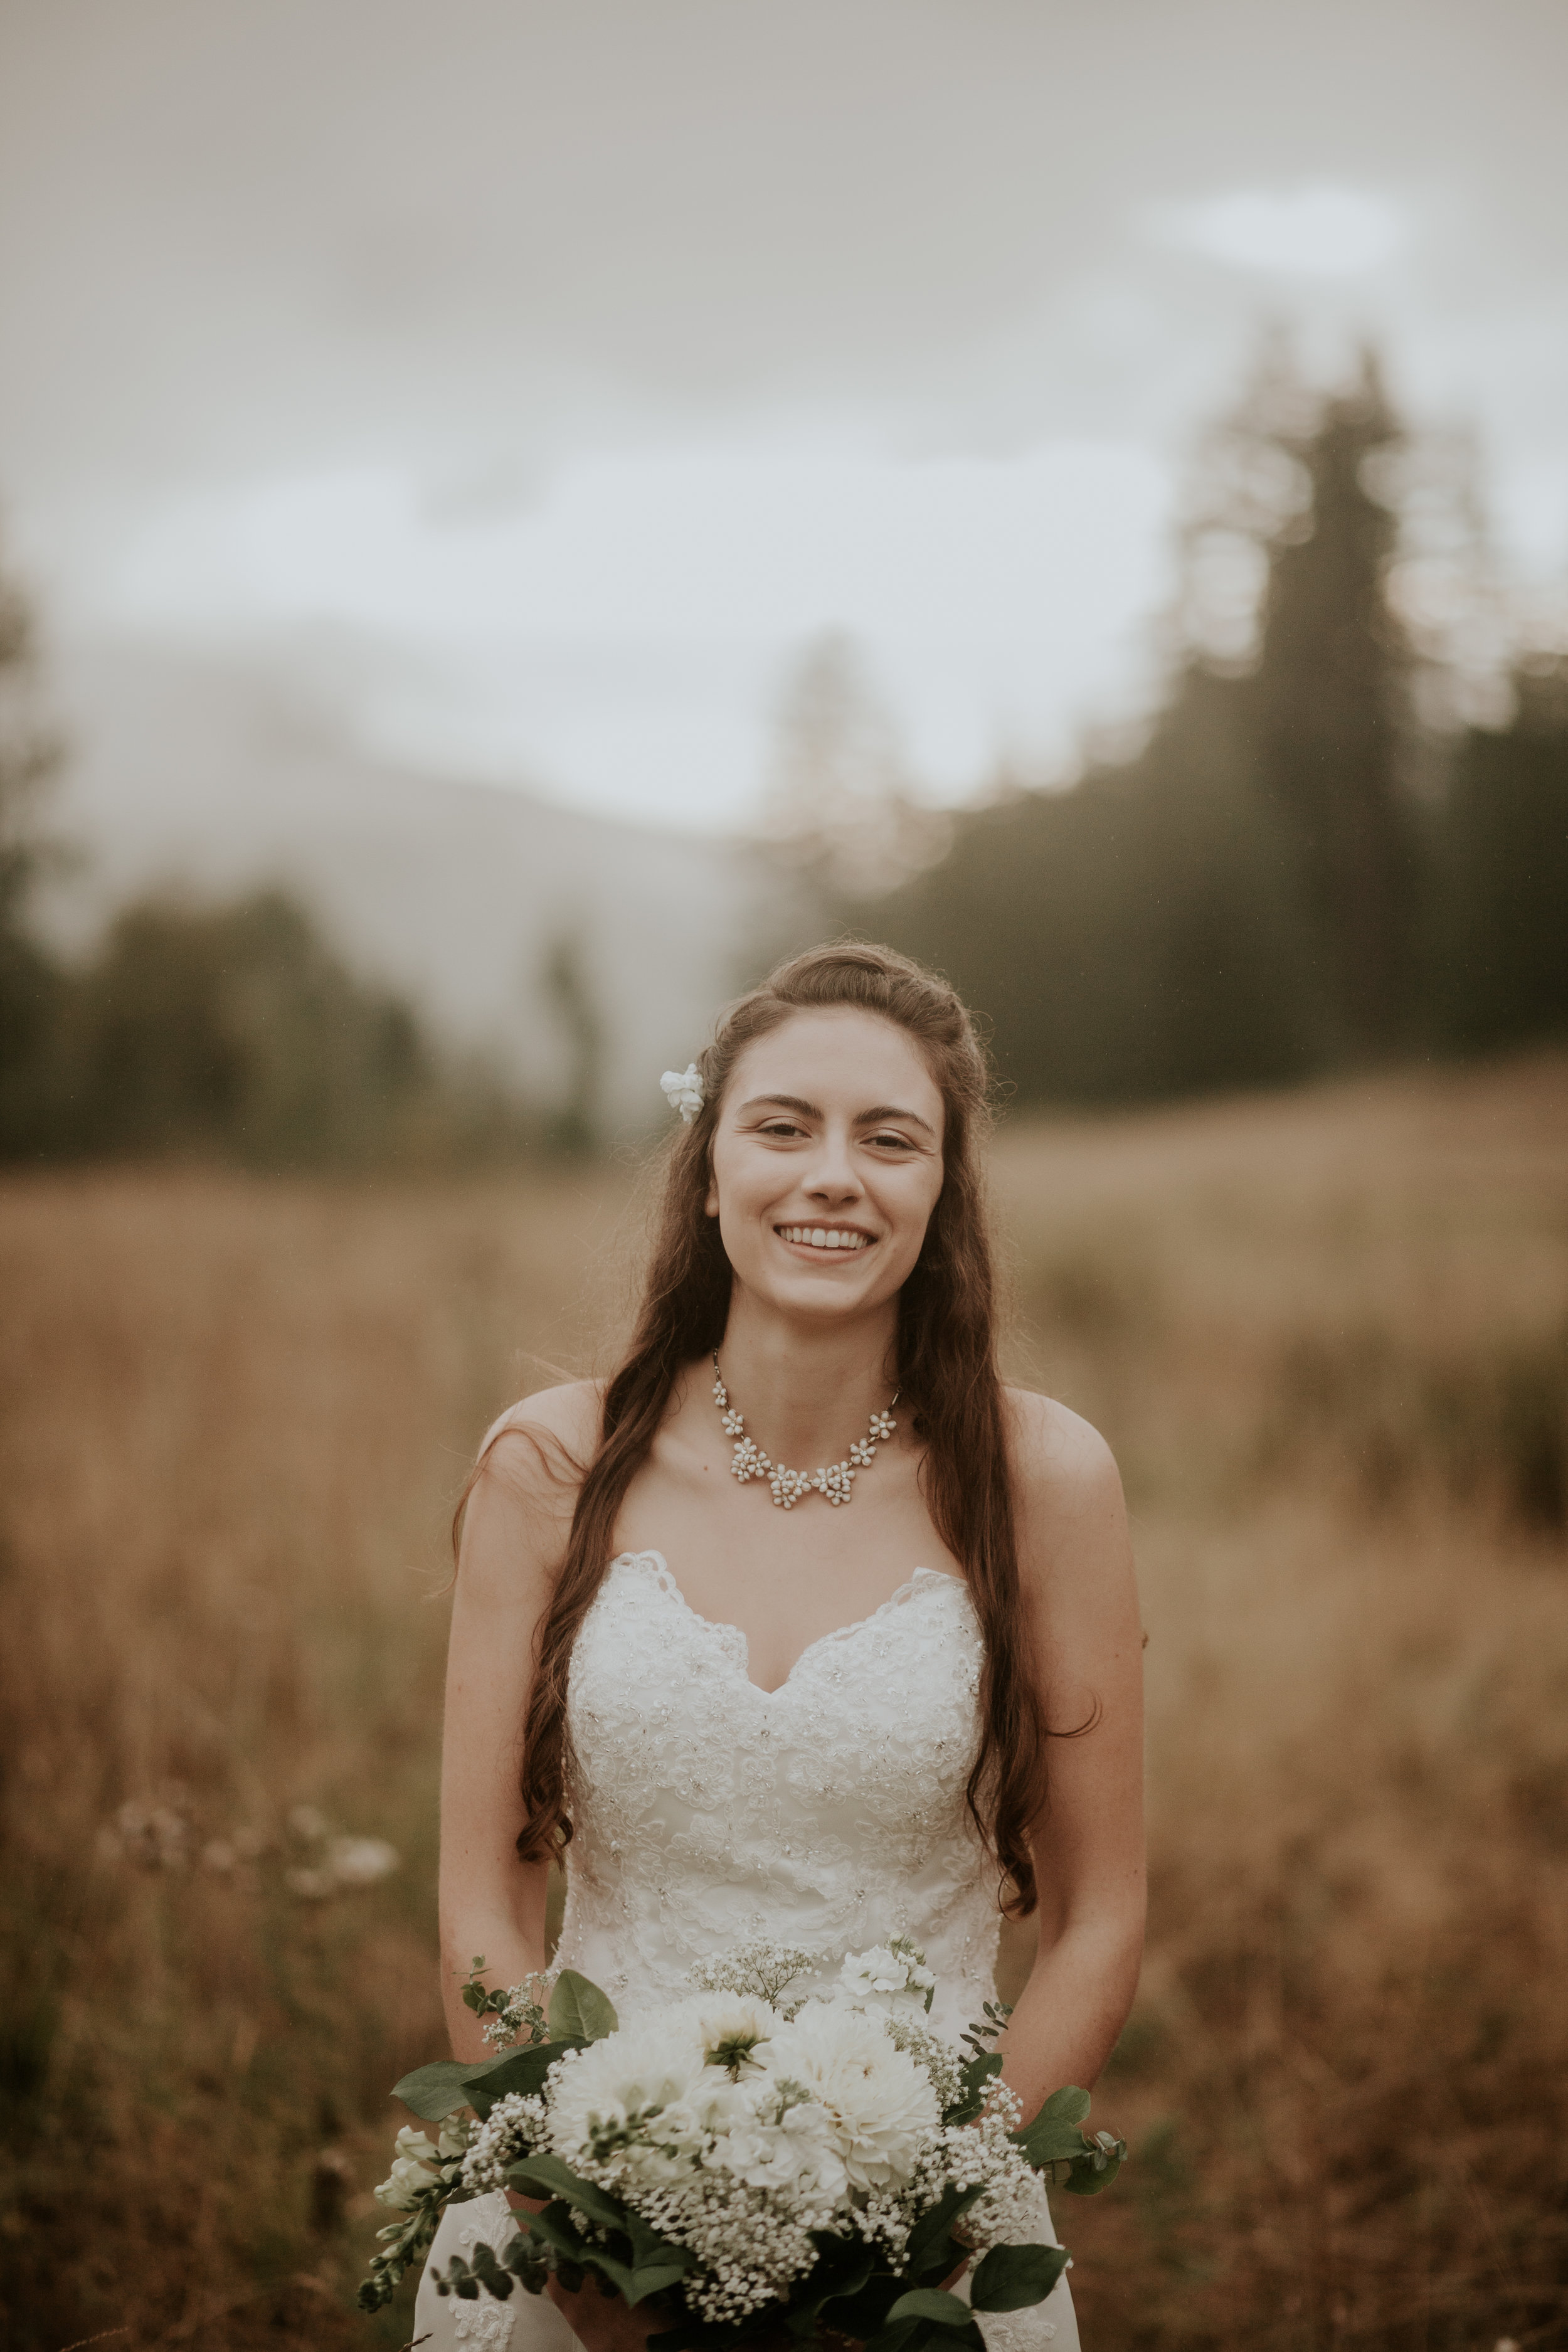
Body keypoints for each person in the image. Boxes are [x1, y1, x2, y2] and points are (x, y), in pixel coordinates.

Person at [415, 943, 1145, 2352]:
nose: (831, 1175)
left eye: (888, 1139)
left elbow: (1098, 1916)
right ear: (707, 1168)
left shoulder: (1043, 1479)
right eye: (781, 1126)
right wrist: (571, 2221)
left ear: (941, 1190)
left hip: (925, 2251)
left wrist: (927, 2220)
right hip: (579, 2228)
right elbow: (483, 1912)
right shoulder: (548, 1467)